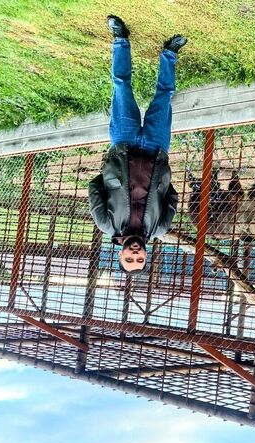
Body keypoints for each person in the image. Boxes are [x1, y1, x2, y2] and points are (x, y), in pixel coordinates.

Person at [89, 15, 187, 274]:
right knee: (164, 97)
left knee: (122, 87)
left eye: (129, 260)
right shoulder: (160, 227)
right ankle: (169, 53)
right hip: (157, 148)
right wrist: (160, 179)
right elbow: (172, 196)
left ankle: (120, 39)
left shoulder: (106, 224)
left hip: (124, 143)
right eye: (140, 260)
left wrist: (113, 174)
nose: (135, 255)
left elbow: (94, 187)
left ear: (120, 254)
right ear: (146, 255)